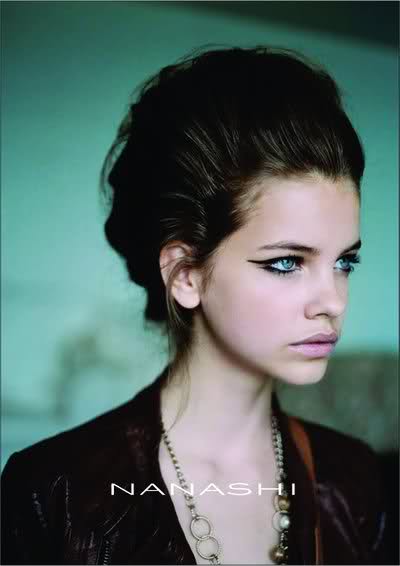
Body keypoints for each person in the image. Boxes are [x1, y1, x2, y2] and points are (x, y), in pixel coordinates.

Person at [1, 45, 388, 565]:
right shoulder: (55, 492)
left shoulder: (355, 481)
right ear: (185, 275)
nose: (333, 301)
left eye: (345, 262)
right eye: (286, 262)